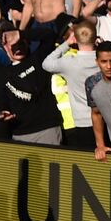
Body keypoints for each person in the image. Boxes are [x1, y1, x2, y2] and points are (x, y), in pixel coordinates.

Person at [42, 20, 100, 148]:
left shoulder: (69, 62)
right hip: (104, 118)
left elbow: (46, 63)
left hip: (81, 121)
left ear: (76, 38)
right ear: (95, 37)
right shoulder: (103, 60)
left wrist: (67, 43)